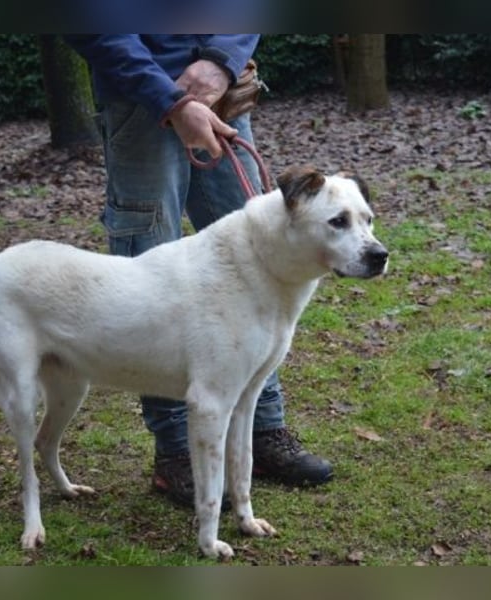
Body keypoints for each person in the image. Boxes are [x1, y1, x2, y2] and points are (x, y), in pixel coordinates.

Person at [66, 35, 333, 508]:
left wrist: (220, 63)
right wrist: (168, 97)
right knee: (146, 273)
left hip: (223, 94)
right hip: (139, 98)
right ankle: (175, 451)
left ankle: (263, 429)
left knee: (261, 257)